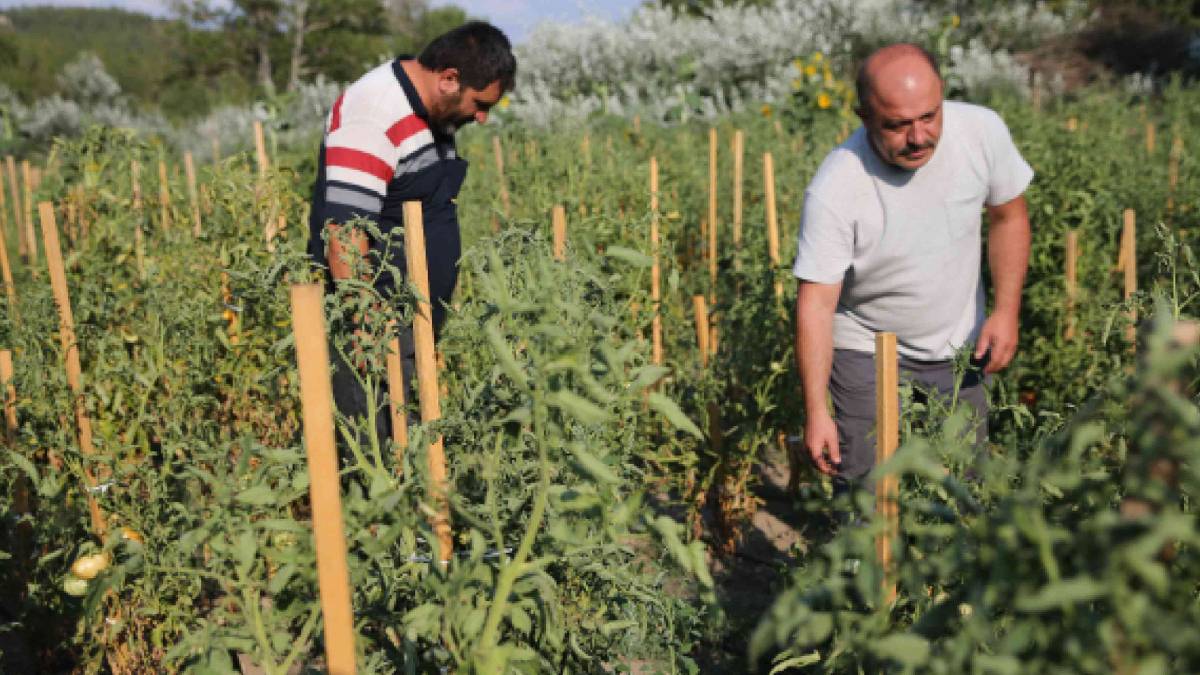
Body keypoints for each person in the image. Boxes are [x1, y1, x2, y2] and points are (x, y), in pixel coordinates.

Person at [792, 43, 1032, 494]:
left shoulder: (981, 131)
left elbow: (1009, 216)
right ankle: (869, 566)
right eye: (898, 126)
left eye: (929, 116)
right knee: (867, 495)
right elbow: (816, 305)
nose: (919, 137)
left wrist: (1005, 311)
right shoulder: (837, 188)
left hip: (958, 346)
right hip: (867, 347)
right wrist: (816, 411)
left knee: (964, 489)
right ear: (864, 117)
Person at [307, 21, 516, 447]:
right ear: (448, 78)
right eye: (480, 104)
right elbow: (346, 231)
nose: (481, 116)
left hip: (409, 319)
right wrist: (365, 323)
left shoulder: (435, 109)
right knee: (372, 445)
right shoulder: (373, 114)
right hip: (374, 321)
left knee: (409, 440)